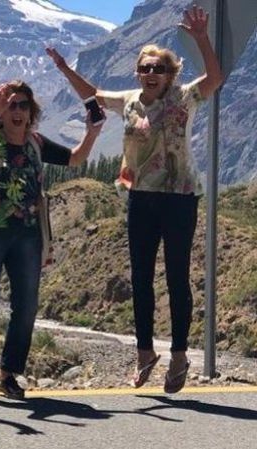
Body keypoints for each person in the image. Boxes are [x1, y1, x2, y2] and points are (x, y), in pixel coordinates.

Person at [46, 5, 223, 394]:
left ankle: (179, 355)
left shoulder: (185, 97)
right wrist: (63, 68)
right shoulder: (128, 100)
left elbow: (216, 77)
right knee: (140, 278)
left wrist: (202, 39)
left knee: (177, 277)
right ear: (138, 73)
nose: (150, 74)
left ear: (170, 73)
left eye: (158, 68)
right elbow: (92, 95)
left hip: (179, 197)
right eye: (144, 68)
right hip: (140, 197)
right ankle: (145, 354)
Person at [0, 81, 103, 399]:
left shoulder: (37, 143)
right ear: (1, 112)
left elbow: (76, 159)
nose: (17, 111)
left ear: (31, 112)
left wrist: (92, 133)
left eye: (23, 105)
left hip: (27, 234)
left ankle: (8, 373)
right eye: (10, 105)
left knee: (26, 306)